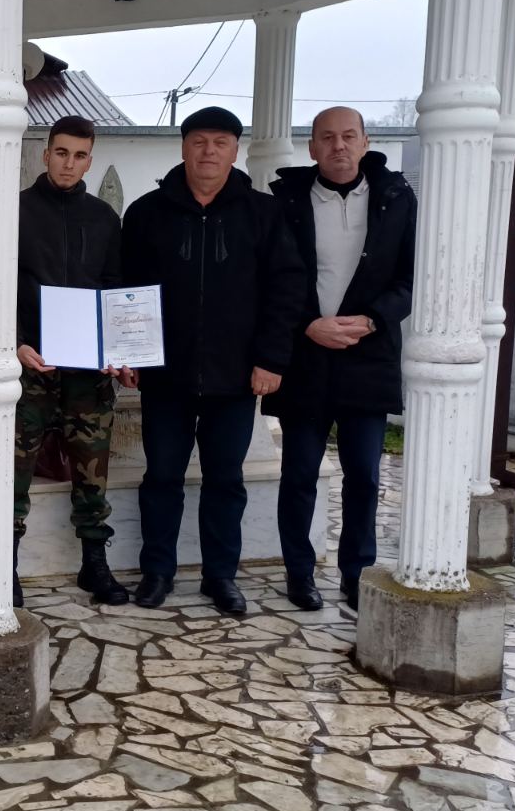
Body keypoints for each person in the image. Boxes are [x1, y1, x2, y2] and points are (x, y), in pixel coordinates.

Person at [121, 106, 305, 615]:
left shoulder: (263, 213)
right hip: (166, 375)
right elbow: (126, 289)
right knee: (162, 478)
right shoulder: (147, 212)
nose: (208, 152)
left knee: (226, 481)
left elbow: (286, 290)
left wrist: (271, 359)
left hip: (237, 376)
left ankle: (220, 575)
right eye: (199, 141)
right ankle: (157, 572)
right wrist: (128, 354)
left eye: (220, 143)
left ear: (235, 151)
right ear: (183, 148)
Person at [264, 107, 415, 612]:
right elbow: (272, 277)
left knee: (365, 476)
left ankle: (356, 573)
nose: (339, 146)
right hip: (305, 356)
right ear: (311, 148)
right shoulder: (285, 201)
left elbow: (412, 277)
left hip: (368, 356)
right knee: (300, 473)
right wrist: (308, 323)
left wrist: (372, 320)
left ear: (366, 142)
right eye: (327, 138)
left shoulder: (397, 198)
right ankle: (299, 573)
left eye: (349, 136)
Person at [12, 114, 132, 608]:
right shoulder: (16, 211)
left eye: (79, 155)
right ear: (45, 154)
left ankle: (94, 563)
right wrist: (16, 343)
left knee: (92, 467)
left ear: (90, 161)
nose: (69, 163)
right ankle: (4, 565)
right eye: (61, 153)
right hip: (31, 364)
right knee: (13, 469)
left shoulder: (103, 218)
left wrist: (116, 350)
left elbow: (114, 287)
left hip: (87, 370)